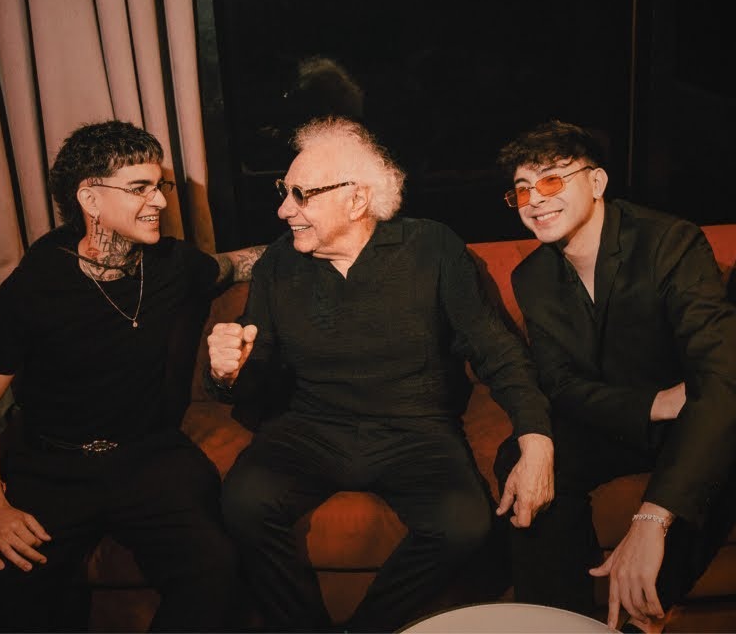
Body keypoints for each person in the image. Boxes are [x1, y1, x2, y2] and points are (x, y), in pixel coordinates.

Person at [207, 116, 555, 632]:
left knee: (464, 524)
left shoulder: (431, 247)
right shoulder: (279, 263)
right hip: (310, 427)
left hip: (415, 430)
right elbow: (258, 371)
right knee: (241, 504)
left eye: (301, 195)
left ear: (357, 200)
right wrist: (227, 372)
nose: (283, 210)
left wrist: (536, 437)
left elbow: (494, 348)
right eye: (285, 191)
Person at [0, 120, 264, 632]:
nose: (160, 201)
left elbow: (235, 265)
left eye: (159, 186)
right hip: (54, 466)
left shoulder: (173, 263)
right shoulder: (35, 284)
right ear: (90, 199)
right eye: (139, 188)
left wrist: (321, 235)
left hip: (149, 456)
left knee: (217, 571)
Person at [495, 120, 736, 632]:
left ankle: (643, 617)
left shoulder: (668, 242)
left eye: (551, 180)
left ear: (597, 182)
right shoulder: (533, 277)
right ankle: (560, 621)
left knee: (722, 436)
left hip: (703, 405)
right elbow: (560, 385)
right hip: (634, 411)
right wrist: (650, 405)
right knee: (520, 457)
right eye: (522, 189)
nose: (534, 200)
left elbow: (720, 378)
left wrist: (652, 518)